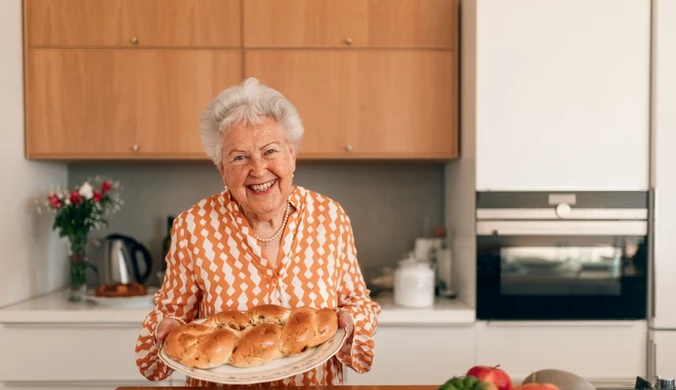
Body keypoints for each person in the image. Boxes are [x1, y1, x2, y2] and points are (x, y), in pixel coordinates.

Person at [134, 77, 382, 387]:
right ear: (222, 170)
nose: (258, 169)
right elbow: (170, 315)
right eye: (239, 157)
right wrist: (164, 327)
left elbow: (358, 303)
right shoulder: (194, 226)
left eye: (270, 151)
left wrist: (352, 323)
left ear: (291, 156)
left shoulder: (329, 217)